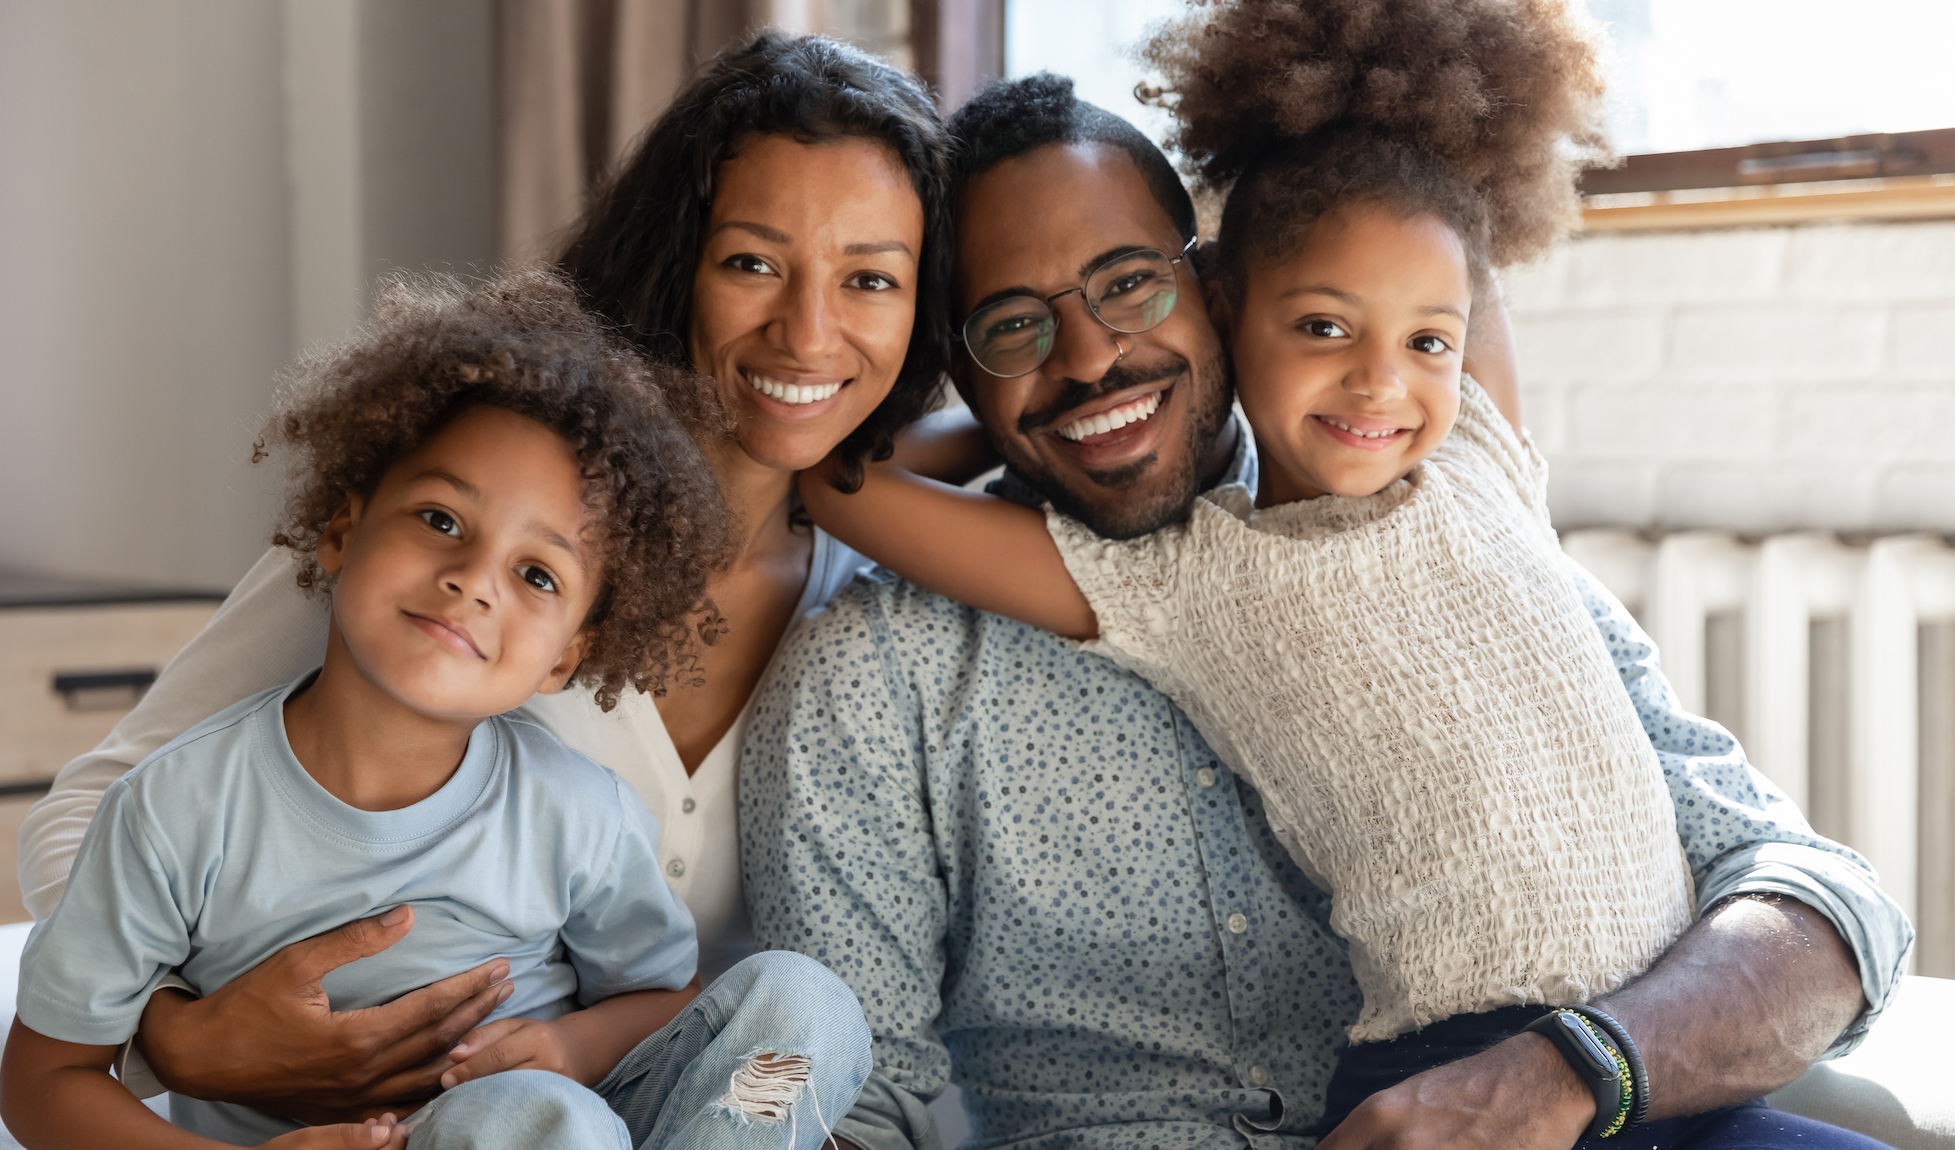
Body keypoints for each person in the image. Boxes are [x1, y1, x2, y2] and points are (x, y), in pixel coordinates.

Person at [742, 69, 1912, 1150]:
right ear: (955, 357)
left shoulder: (1457, 534)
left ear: (1209, 284)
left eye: (1130, 284)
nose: (1093, 354)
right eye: (1012, 327)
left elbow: (1818, 902)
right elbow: (827, 1090)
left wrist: (1567, 1070)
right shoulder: (873, 675)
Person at [17, 31, 978, 1129]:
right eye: (750, 262)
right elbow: (85, 823)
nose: (808, 331)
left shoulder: (884, 602)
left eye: (870, 279)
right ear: (677, 268)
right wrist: (181, 1031)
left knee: (809, 1018)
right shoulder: (444, 533)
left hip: (680, 1099)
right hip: (455, 1120)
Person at [1, 269, 870, 1150]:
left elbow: (658, 1003)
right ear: (341, 531)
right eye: (441, 519)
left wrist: (568, 1044)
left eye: (537, 575)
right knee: (536, 1116)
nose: (472, 581)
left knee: (805, 1001)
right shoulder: (172, 809)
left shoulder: (578, 811)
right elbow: (44, 1082)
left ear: (566, 656)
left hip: (585, 1121)